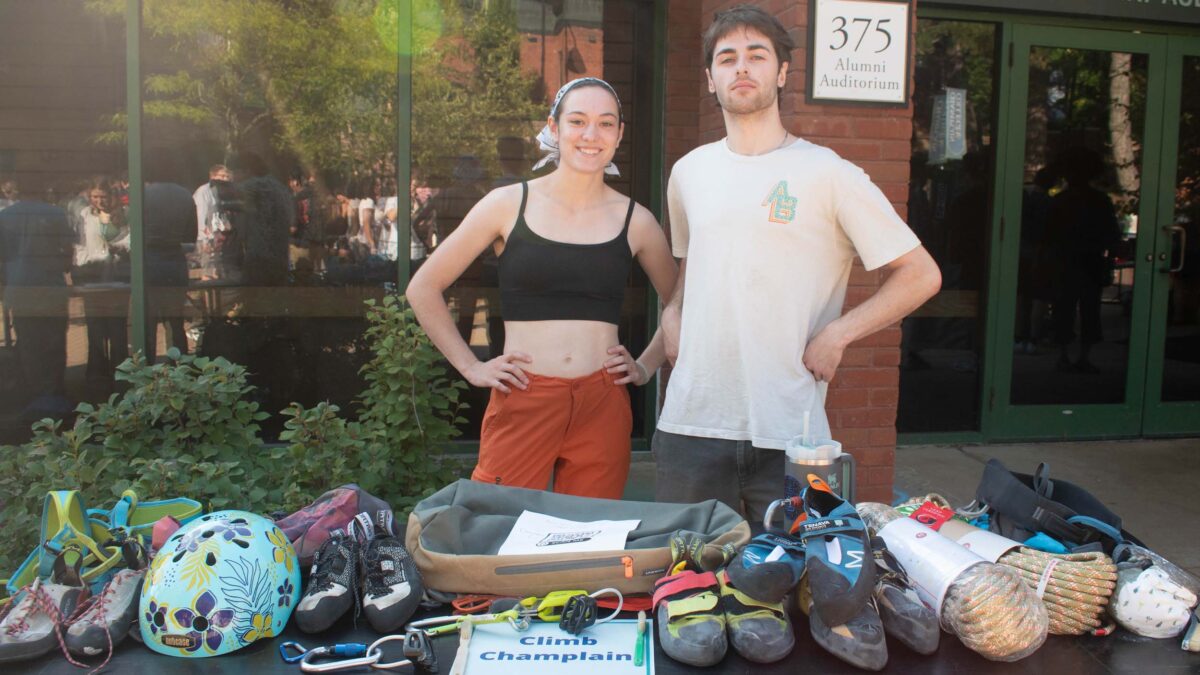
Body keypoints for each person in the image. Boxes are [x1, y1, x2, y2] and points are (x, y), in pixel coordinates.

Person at [655, 5, 942, 522]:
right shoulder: (688, 173)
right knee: (688, 586)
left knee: (799, 590)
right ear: (709, 79)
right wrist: (671, 311)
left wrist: (838, 334)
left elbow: (921, 274)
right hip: (691, 423)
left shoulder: (829, 173)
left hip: (791, 429)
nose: (741, 68)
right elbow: (693, 263)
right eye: (727, 58)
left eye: (756, 56)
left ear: (782, 72)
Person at [407, 78, 677, 499]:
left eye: (606, 124)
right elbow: (424, 287)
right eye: (578, 121)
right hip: (524, 395)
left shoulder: (636, 219)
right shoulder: (507, 204)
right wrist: (471, 366)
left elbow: (678, 301)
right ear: (553, 127)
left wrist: (646, 364)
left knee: (589, 539)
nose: (591, 135)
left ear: (620, 134)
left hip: (601, 402)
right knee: (497, 528)